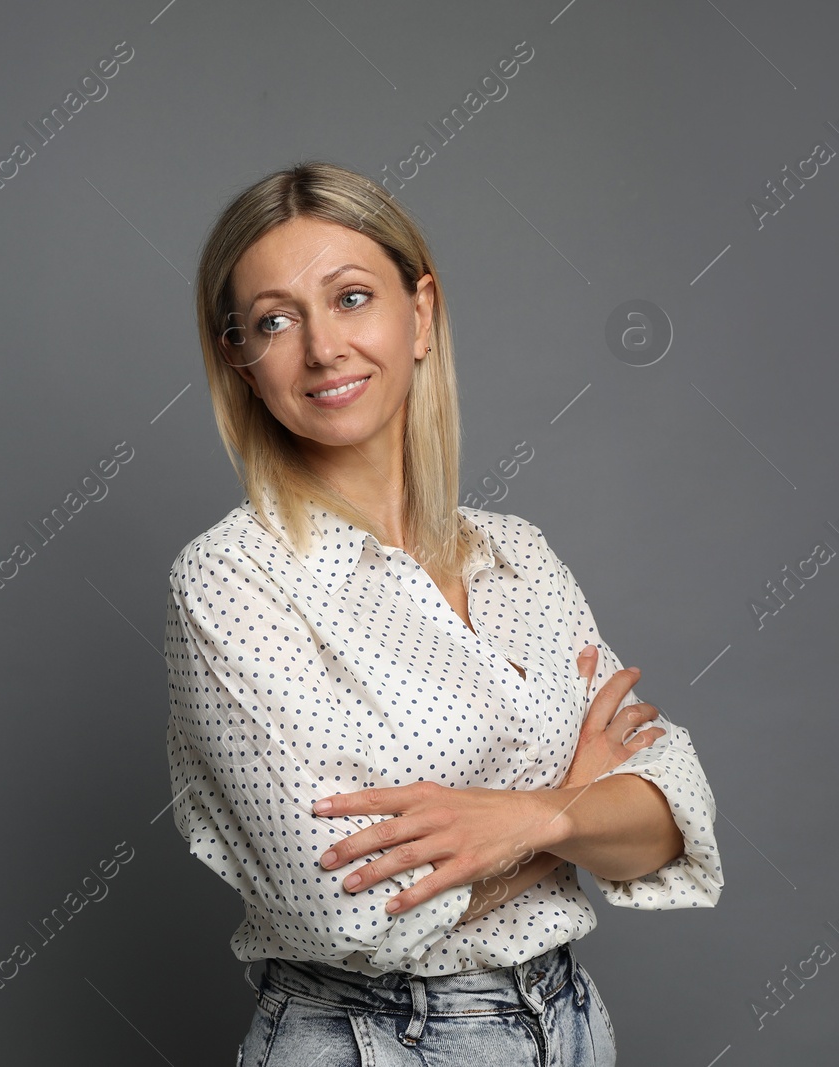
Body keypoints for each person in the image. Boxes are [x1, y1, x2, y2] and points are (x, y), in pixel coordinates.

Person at [162, 161, 724, 1065]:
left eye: (351, 297)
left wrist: (532, 819)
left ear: (419, 315)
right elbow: (343, 907)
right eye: (275, 319)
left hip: (568, 1024)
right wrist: (578, 809)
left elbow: (674, 813)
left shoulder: (520, 556)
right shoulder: (233, 580)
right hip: (373, 1039)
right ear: (242, 358)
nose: (322, 347)